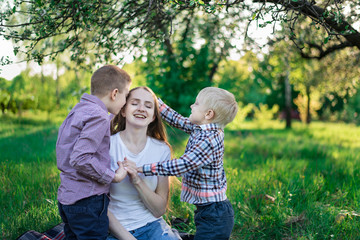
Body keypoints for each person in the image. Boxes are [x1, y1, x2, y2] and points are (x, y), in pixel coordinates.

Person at [136, 87, 238, 240]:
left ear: (208, 114)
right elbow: (177, 120)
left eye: (196, 104)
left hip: (216, 215)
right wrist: (154, 101)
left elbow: (183, 165)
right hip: (208, 211)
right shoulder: (201, 129)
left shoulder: (210, 140)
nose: (192, 106)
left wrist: (144, 169)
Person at [56, 65, 132, 240]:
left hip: (68, 197)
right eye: (125, 96)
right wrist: (114, 177)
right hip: (88, 200)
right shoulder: (98, 117)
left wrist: (112, 117)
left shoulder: (80, 110)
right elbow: (80, 159)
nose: (126, 102)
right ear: (114, 94)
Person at [107, 86, 182, 240]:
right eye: (135, 103)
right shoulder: (107, 145)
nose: (141, 109)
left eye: (148, 106)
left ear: (153, 116)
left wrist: (136, 180)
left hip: (152, 226)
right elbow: (97, 206)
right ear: (123, 110)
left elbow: (159, 209)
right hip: (115, 229)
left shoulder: (162, 150)